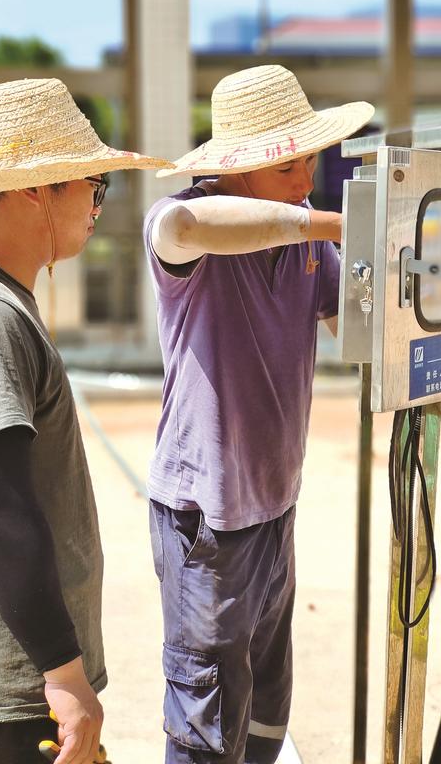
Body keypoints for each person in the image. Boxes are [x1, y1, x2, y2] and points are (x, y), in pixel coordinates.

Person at [0, 77, 170, 764]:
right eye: (93, 185)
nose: (98, 207)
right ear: (36, 189)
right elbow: (0, 513)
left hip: (2, 680)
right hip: (7, 690)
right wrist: (64, 672)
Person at [144, 64, 374, 764]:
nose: (305, 179)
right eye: (289, 165)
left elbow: (357, 326)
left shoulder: (306, 242)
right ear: (238, 169)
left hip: (275, 505)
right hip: (205, 519)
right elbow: (185, 223)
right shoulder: (187, 222)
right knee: (207, 724)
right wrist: (342, 222)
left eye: (309, 161)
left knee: (267, 710)